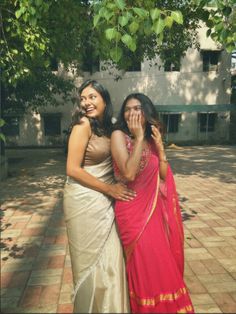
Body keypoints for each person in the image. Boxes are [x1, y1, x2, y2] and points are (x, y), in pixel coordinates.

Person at [111, 93, 195, 313]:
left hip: (154, 213)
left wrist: (160, 148)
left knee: (162, 266)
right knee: (146, 268)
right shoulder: (119, 136)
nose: (132, 113)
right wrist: (138, 138)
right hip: (132, 213)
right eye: (127, 109)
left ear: (146, 112)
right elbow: (129, 173)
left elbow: (164, 177)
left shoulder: (150, 138)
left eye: (137, 108)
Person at [63, 79, 135, 313]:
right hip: (83, 200)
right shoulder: (83, 124)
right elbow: (72, 169)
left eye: (92, 97)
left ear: (105, 99)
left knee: (112, 258)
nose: (86, 102)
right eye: (83, 98)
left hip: (104, 199)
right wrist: (110, 189)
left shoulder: (109, 127)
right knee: (89, 263)